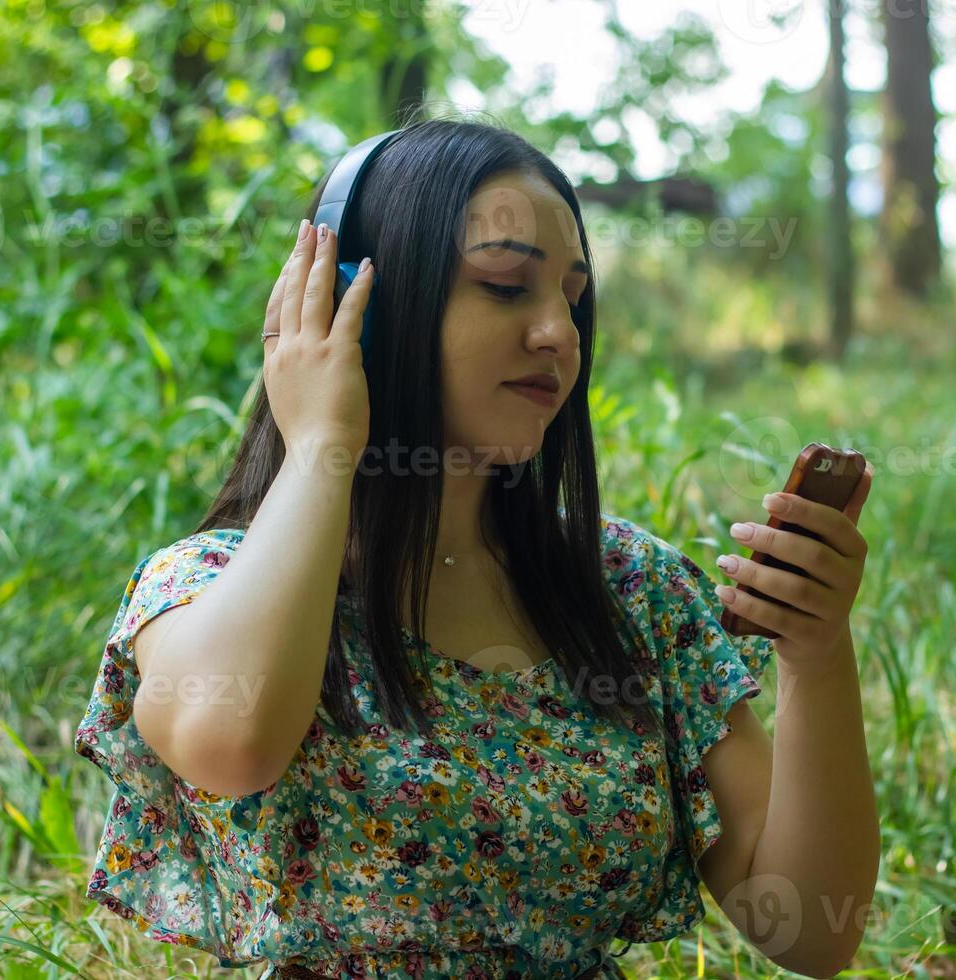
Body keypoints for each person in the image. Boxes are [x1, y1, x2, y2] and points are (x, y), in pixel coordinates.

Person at [72, 115, 878, 979]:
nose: (559, 334)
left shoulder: (631, 593)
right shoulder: (202, 585)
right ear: (352, 305)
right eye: (504, 285)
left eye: (571, 298)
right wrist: (321, 446)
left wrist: (818, 658)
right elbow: (233, 744)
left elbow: (808, 930)